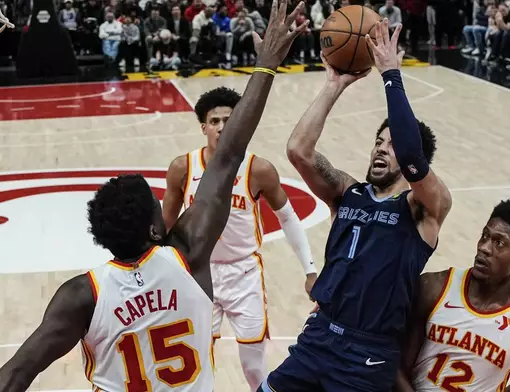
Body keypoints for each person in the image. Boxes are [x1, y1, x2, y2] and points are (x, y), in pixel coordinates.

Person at [0, 1, 309, 390]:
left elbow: (14, 374)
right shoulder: (188, 255)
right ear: (154, 228)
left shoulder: (81, 295)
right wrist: (265, 64)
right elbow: (229, 155)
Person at [260, 18, 452, 392]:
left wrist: (391, 75)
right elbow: (298, 151)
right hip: (318, 337)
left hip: (367, 354)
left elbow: (413, 154)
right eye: (379, 141)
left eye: (392, 143)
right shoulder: (348, 192)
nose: (381, 147)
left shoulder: (425, 206)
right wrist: (333, 85)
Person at [163, 86, 318, 390]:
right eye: (215, 120)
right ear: (204, 127)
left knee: (252, 366)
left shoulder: (258, 168)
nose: (222, 127)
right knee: (196, 361)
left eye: (229, 120)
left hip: (243, 273)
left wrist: (310, 269)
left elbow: (287, 217)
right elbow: (165, 224)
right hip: (198, 272)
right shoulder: (183, 167)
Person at [395, 199, 510, 392]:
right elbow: (395, 363)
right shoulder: (434, 288)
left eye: (499, 243)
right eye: (484, 236)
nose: (484, 247)